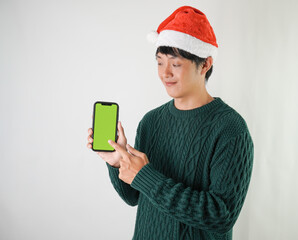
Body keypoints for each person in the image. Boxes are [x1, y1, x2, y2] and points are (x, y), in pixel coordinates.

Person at [86, 5, 254, 240]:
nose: (165, 73)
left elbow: (220, 216)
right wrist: (117, 163)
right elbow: (134, 196)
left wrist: (145, 175)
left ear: (205, 64)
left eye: (175, 64)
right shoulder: (151, 121)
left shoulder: (230, 129)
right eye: (159, 62)